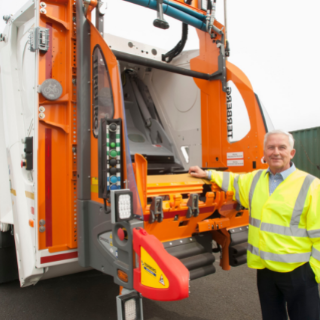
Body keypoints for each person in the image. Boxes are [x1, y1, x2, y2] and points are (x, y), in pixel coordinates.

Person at [188, 129, 320, 320]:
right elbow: (231, 180)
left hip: (298, 271)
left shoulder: (311, 185)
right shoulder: (254, 179)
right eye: (271, 147)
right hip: (266, 271)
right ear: (264, 154)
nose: (276, 152)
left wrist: (313, 272)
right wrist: (206, 174)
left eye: (282, 147)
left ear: (291, 153)